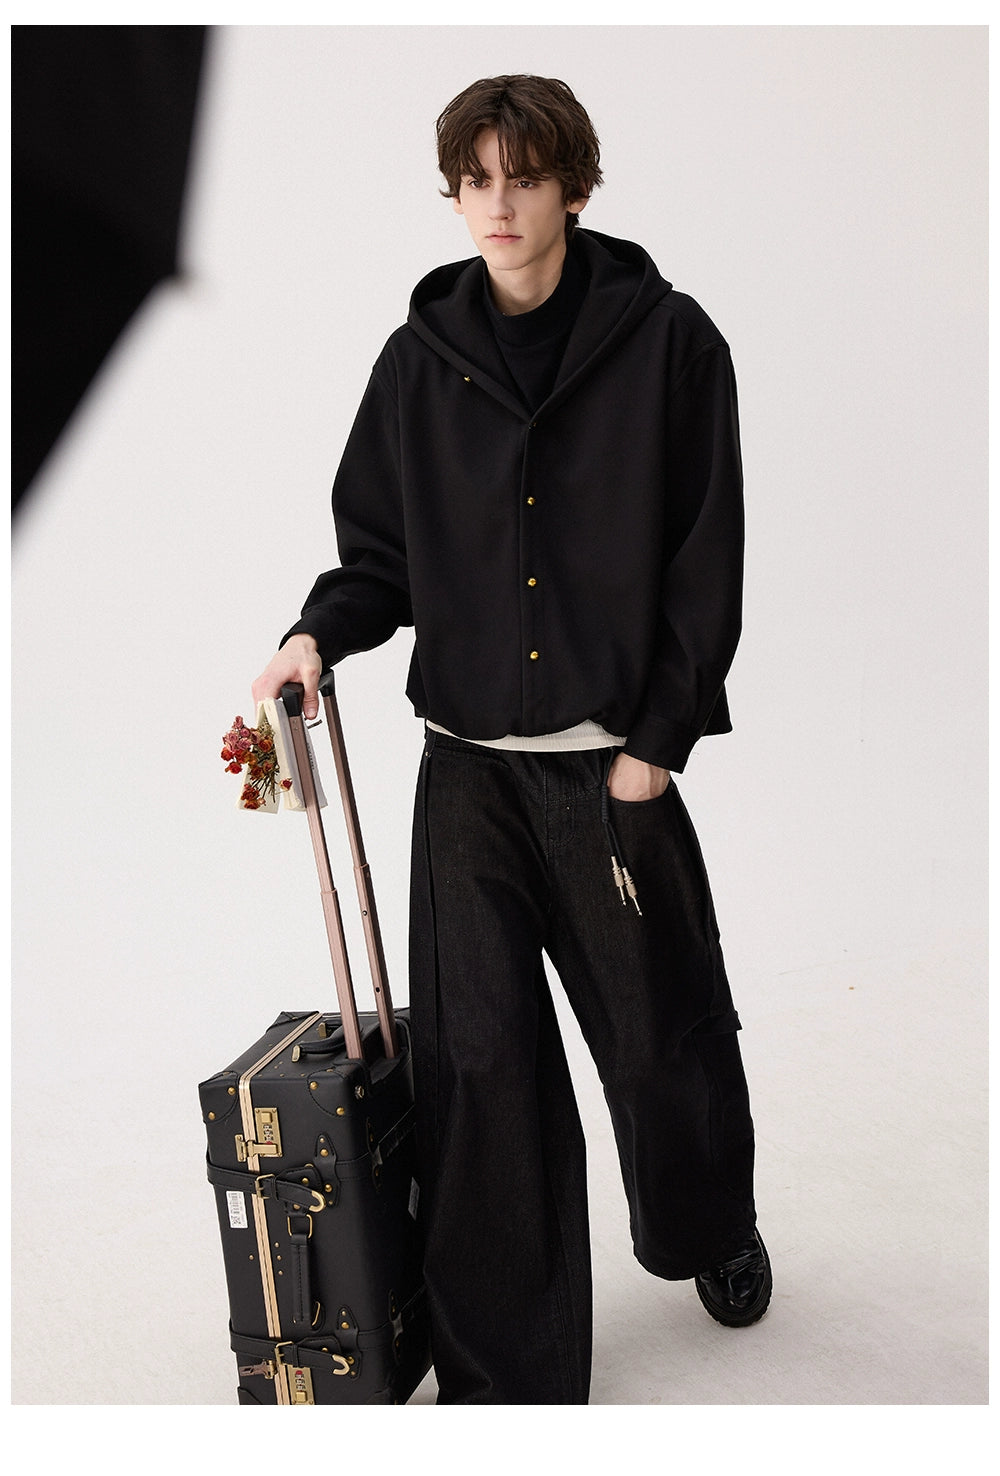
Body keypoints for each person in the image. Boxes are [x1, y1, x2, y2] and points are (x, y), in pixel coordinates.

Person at [252, 74, 770, 1405]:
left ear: (573, 189)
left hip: (613, 773)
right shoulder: (418, 365)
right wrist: (315, 635)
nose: (499, 203)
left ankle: (709, 1226)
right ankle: (511, 1379)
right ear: (455, 192)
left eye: (524, 177)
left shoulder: (671, 345)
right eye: (476, 179)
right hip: (468, 775)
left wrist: (656, 744)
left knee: (660, 1042)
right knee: (480, 1070)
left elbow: (705, 555)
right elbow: (378, 555)